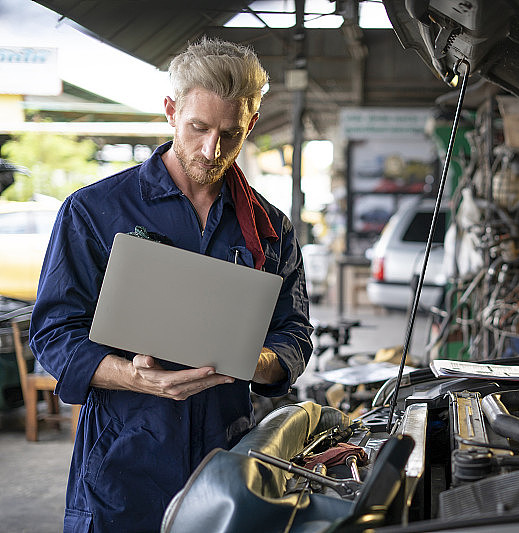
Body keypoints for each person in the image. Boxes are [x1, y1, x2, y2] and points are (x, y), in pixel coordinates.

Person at [29, 38, 313, 533]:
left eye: (230, 134)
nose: (212, 149)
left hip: (224, 460)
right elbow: (55, 334)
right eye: (198, 127)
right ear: (171, 111)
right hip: (121, 461)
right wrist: (133, 377)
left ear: (250, 125)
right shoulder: (95, 211)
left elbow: (294, 333)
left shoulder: (269, 228)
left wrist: (257, 360)